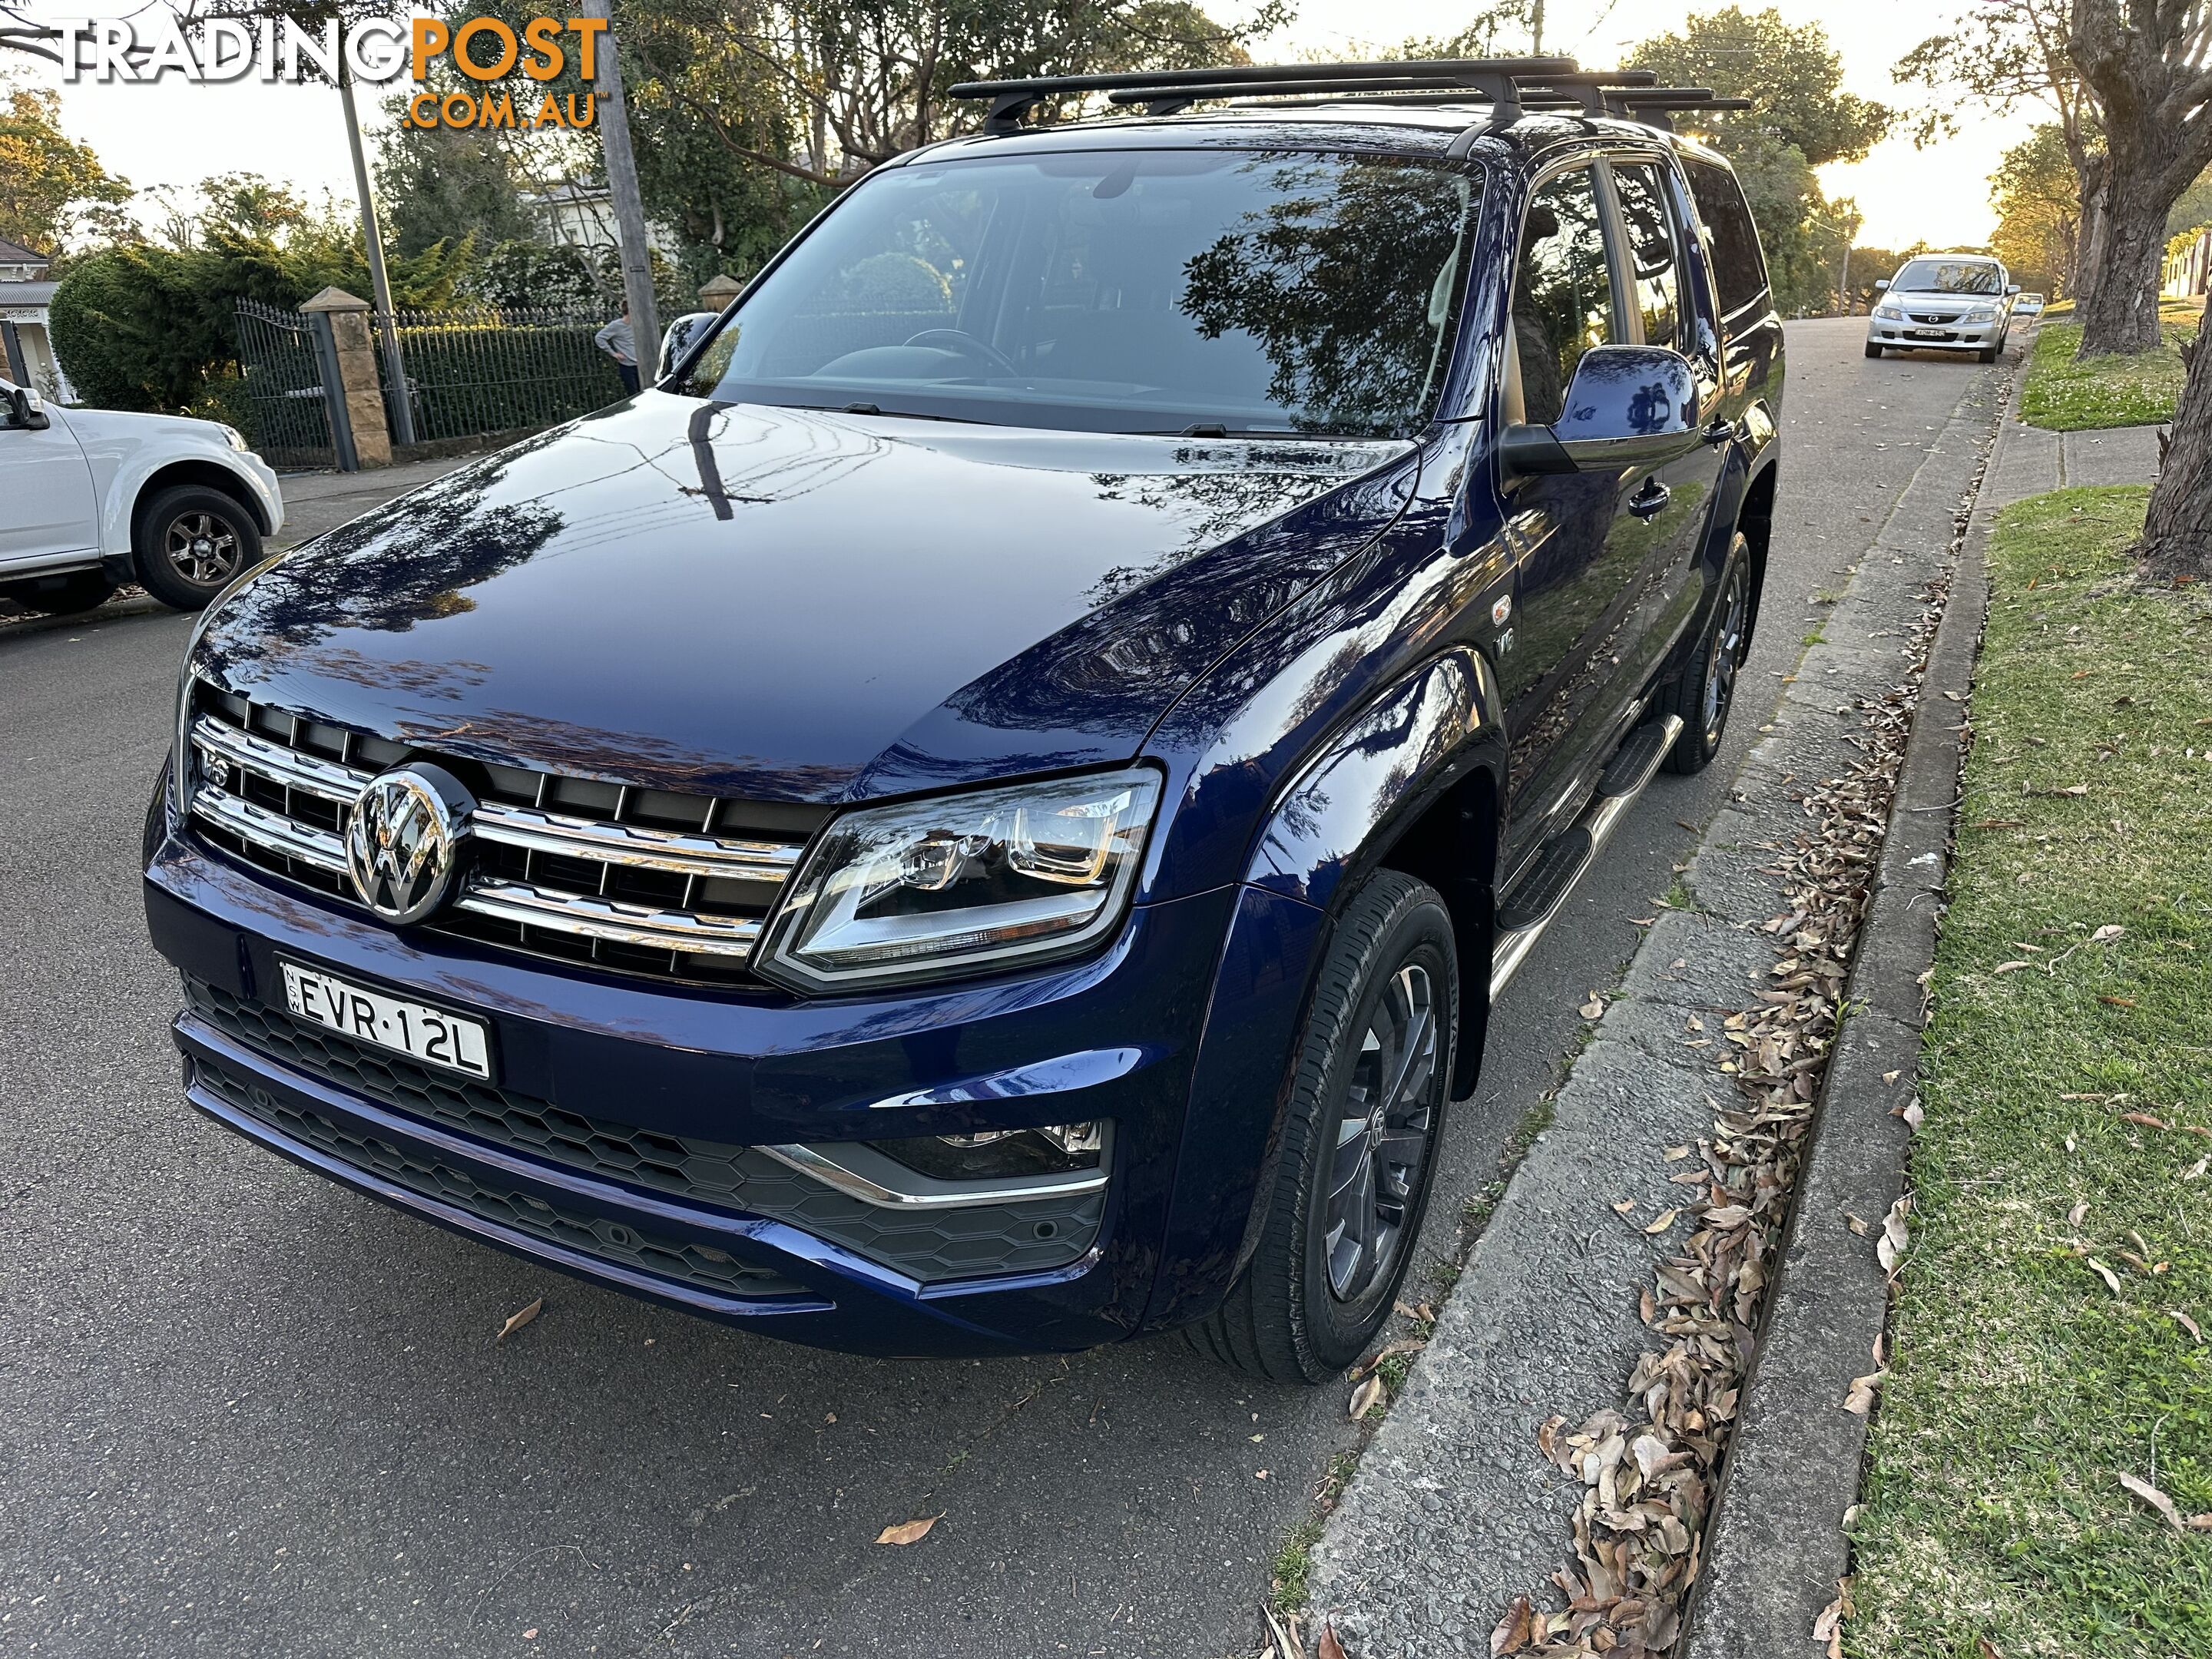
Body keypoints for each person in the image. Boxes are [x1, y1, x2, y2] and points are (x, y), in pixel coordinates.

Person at [594, 313, 640, 395]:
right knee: (634, 394)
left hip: (642, 364)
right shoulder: (616, 325)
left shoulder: (638, 323)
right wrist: (613, 353)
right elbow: (599, 338)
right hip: (627, 365)